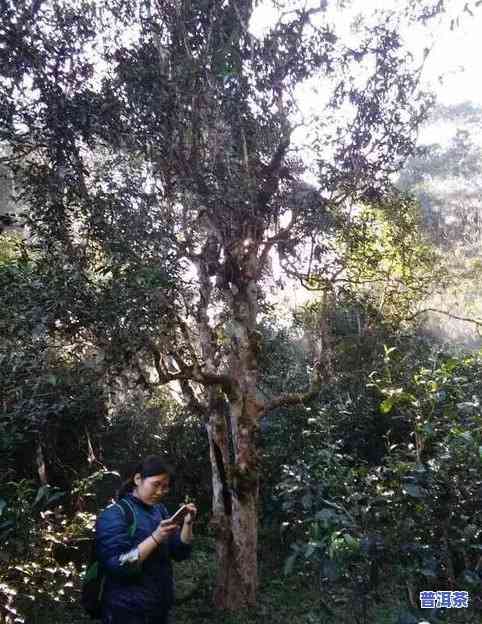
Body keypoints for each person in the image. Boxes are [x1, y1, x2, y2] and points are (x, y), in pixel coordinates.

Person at [95, 455, 197, 624]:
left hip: (158, 609)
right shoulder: (114, 514)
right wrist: (156, 537)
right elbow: (118, 565)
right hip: (125, 611)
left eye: (165, 487)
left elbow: (180, 553)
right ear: (137, 479)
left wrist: (188, 524)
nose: (160, 492)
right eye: (156, 484)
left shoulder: (159, 511)